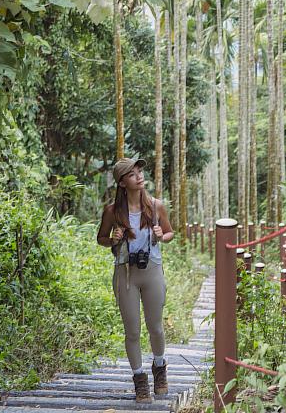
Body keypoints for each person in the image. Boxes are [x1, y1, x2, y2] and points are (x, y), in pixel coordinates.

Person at [97, 157, 174, 403]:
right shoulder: (112, 211)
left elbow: (171, 232)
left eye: (139, 171)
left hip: (151, 270)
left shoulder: (155, 206)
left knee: (156, 327)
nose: (139, 176)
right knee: (132, 331)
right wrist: (114, 238)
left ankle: (160, 368)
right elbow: (101, 238)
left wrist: (163, 235)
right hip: (125, 273)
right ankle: (140, 380)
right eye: (132, 174)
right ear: (122, 183)